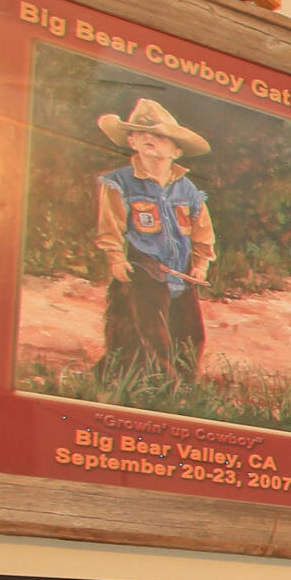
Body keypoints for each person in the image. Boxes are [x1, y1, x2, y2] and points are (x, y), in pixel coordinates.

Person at [93, 98, 214, 382]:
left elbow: (202, 233)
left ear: (176, 150)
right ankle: (160, 386)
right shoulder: (119, 183)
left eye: (159, 136)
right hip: (144, 271)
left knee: (190, 333)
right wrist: (116, 258)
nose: (150, 140)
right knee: (150, 332)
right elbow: (110, 226)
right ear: (132, 141)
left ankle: (186, 386)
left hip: (181, 273)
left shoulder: (189, 191)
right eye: (141, 134)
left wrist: (200, 264)